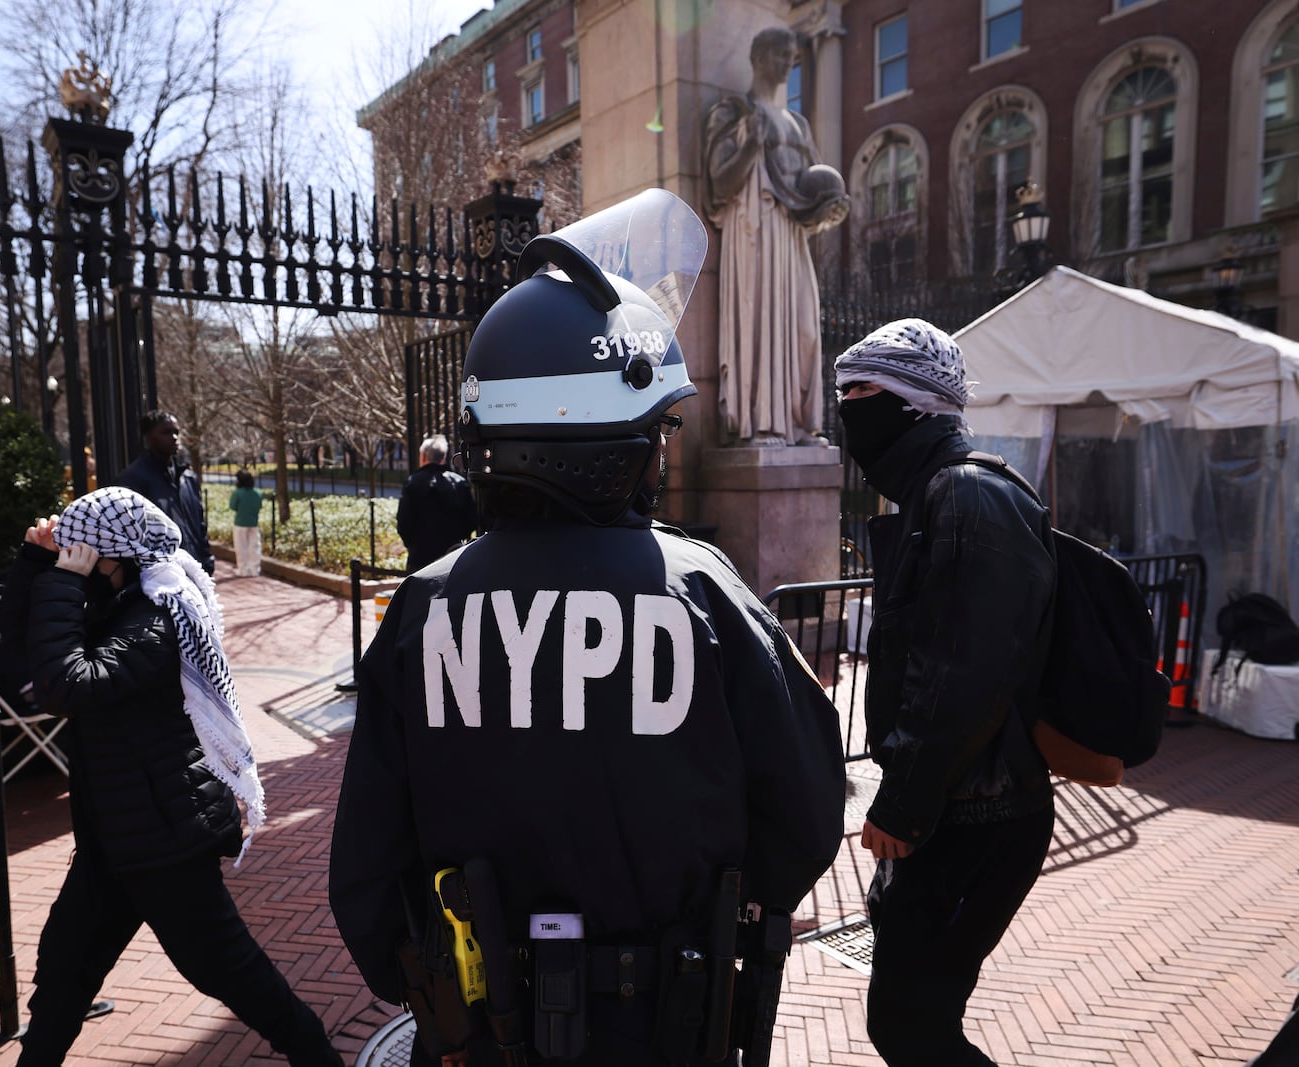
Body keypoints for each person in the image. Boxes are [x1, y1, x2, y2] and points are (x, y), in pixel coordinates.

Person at [329, 190, 847, 1066]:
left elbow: (367, 883)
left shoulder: (422, 607)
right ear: (621, 439)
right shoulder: (707, 593)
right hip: (670, 1030)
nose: (662, 449)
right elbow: (805, 813)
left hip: (479, 1034)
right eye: (659, 428)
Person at [2, 486, 341, 1067]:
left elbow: (67, 685)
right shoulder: (110, 602)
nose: (71, 557)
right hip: (115, 836)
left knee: (232, 974)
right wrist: (38, 566)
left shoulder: (155, 616)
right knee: (65, 968)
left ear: (114, 556)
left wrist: (59, 581)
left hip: (162, 838)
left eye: (79, 548)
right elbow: (19, 658)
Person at [833, 318, 1058, 1066]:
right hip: (955, 812)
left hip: (976, 817)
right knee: (908, 1021)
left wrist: (903, 804)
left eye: (861, 389)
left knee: (912, 1026)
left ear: (916, 402)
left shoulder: (965, 496)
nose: (846, 406)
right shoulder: (933, 496)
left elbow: (963, 670)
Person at [703, 25, 849, 445]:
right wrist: (751, 146)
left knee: (802, 326)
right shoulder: (732, 112)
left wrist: (829, 210)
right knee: (759, 318)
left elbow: (810, 197)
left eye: (791, 55)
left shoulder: (799, 125)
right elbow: (718, 184)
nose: (788, 62)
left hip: (789, 235)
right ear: (758, 57)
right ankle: (760, 423)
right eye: (780, 54)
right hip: (753, 226)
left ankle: (797, 423)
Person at [115, 410, 215, 575]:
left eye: (176, 432)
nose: (174, 437)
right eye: (166, 432)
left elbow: (199, 523)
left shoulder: (187, 477)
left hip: (196, 569)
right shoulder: (132, 479)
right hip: (162, 575)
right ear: (148, 437)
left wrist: (207, 559)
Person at [395, 433, 477, 573]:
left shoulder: (412, 482)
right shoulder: (460, 483)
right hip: (452, 557)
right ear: (443, 457)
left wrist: (414, 545)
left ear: (423, 456)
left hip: (420, 558)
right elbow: (472, 521)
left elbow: (404, 522)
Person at [229, 469, 264, 577]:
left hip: (240, 523)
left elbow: (233, 506)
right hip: (253, 523)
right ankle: (255, 569)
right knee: (254, 546)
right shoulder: (258, 493)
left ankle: (243, 570)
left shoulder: (238, 493)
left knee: (241, 547)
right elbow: (259, 506)